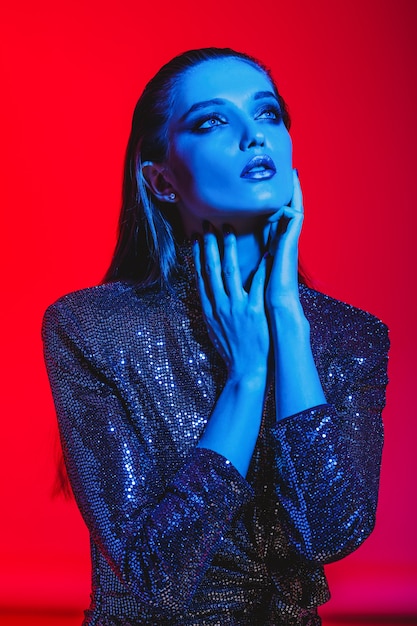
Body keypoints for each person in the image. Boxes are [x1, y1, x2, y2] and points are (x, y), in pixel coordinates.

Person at [42, 47, 389, 626]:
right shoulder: (91, 328)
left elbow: (331, 535)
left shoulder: (350, 336)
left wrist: (288, 321)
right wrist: (246, 378)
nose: (255, 137)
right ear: (161, 180)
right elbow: (154, 579)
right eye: (212, 121)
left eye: (269, 115)